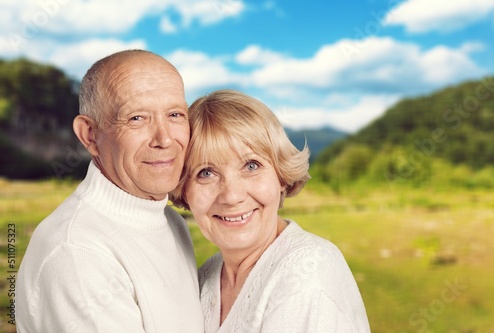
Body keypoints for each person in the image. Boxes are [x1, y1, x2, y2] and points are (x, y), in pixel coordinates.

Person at [16, 50, 204, 332]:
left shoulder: (170, 221)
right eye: (137, 118)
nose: (165, 139)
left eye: (175, 114)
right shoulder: (78, 254)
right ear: (90, 135)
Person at [170, 89, 371, 332]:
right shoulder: (208, 274)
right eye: (206, 173)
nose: (232, 196)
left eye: (251, 165)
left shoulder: (307, 274)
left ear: (281, 177)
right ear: (184, 190)